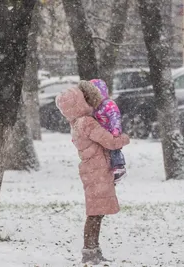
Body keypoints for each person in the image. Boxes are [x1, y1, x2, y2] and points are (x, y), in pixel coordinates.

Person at [55, 87, 130, 264]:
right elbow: (110, 142)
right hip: (98, 169)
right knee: (96, 212)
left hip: (90, 168)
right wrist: (125, 138)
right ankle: (90, 251)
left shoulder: (75, 123)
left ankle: (92, 249)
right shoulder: (87, 123)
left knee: (97, 210)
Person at [78, 79, 127, 184]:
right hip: (101, 134)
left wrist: (116, 130)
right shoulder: (95, 107)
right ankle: (107, 172)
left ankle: (119, 167)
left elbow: (115, 117)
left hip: (111, 132)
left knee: (114, 150)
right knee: (104, 154)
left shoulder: (109, 104)